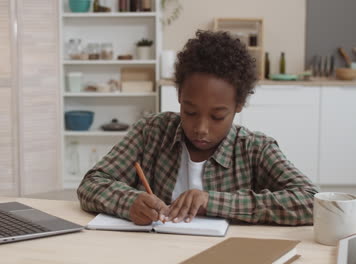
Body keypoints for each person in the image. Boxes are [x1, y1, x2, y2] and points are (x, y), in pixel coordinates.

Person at [77, 30, 318, 226]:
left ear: (239, 106)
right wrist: (129, 201)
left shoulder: (255, 149)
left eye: (217, 116)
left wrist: (211, 202)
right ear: (180, 96)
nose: (201, 128)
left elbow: (312, 201)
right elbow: (92, 184)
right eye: (190, 112)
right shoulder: (150, 132)